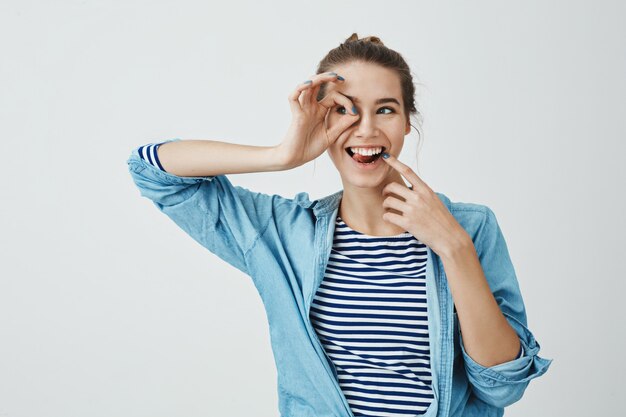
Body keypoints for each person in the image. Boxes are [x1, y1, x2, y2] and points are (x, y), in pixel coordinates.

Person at [126, 33, 553, 417]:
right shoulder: (283, 233)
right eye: (344, 111)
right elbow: (151, 169)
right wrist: (281, 156)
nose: (365, 129)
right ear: (322, 120)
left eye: (385, 109)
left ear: (407, 121)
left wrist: (454, 249)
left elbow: (503, 388)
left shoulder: (470, 228)